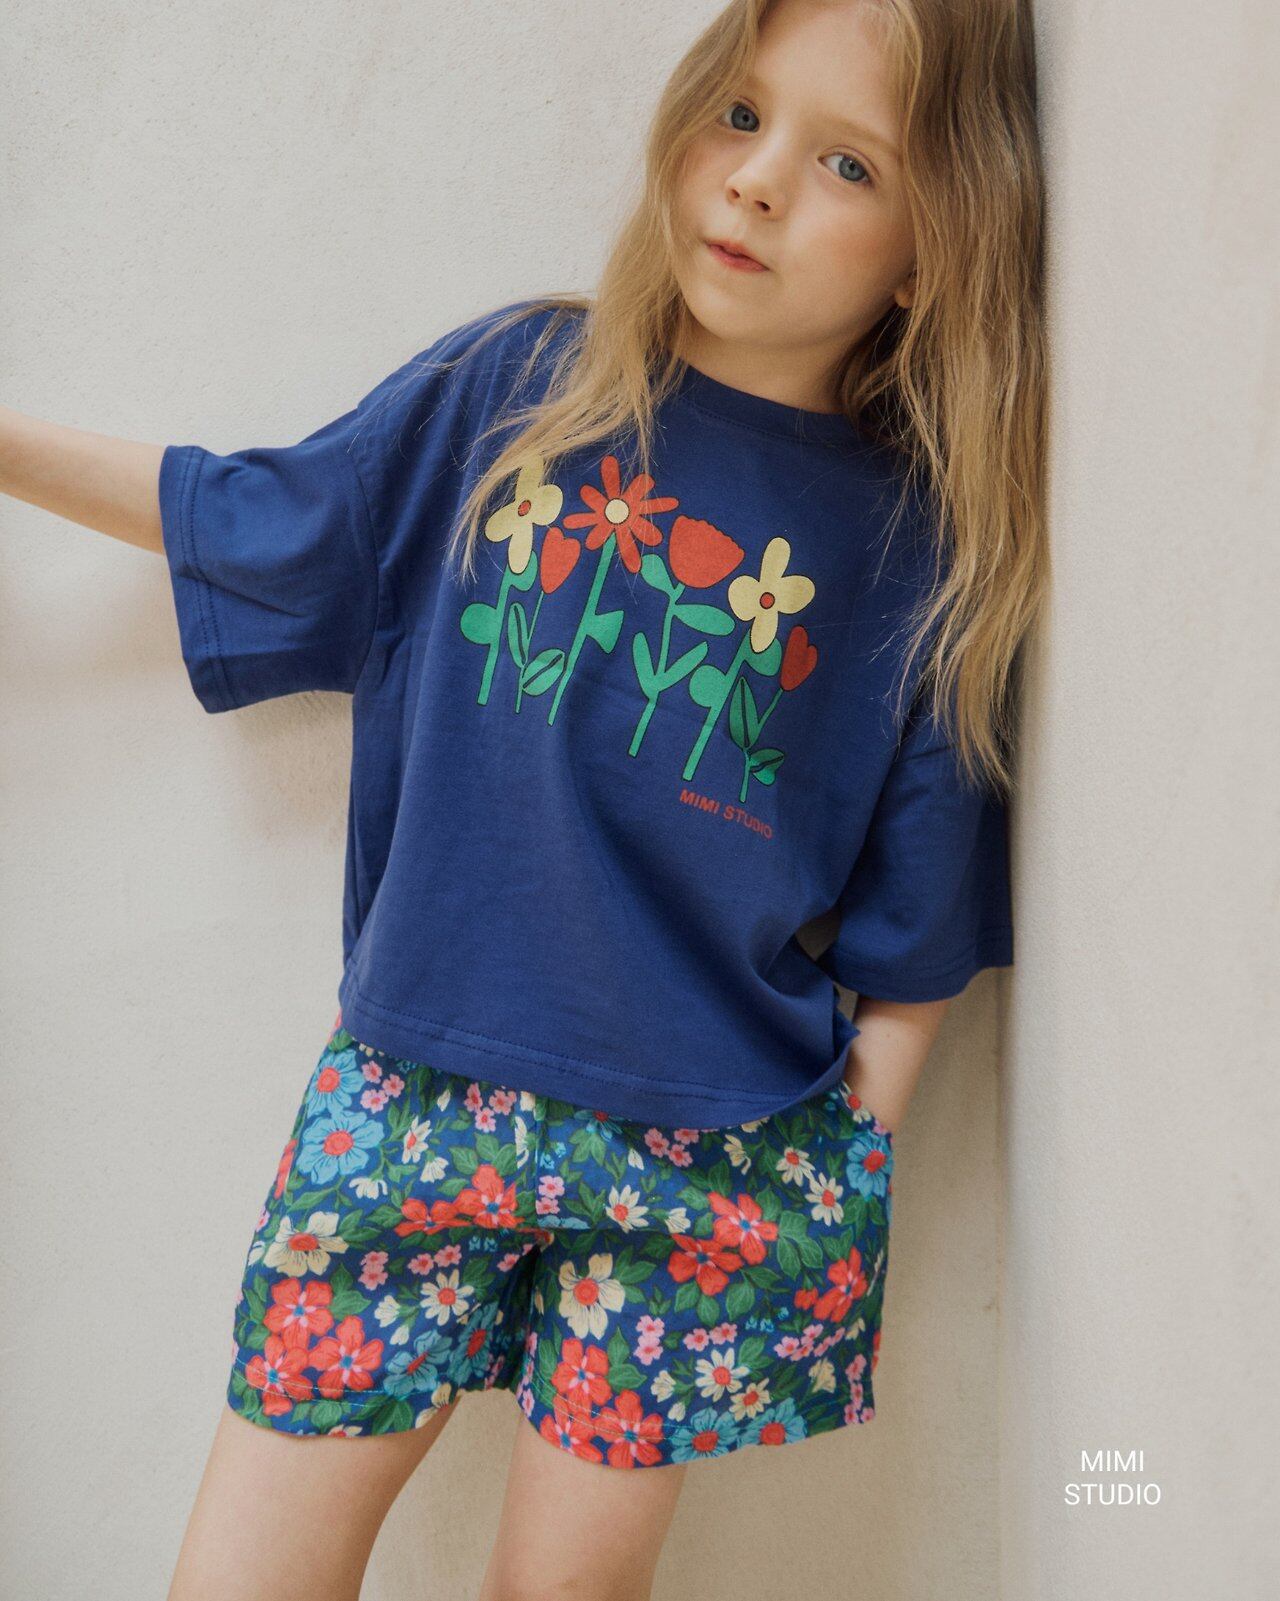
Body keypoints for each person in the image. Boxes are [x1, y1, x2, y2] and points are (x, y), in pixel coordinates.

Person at [1, 0, 1047, 1595]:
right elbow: (259, 513)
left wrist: (845, 1157)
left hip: (708, 1157)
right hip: (415, 1089)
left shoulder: (920, 551)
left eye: (848, 163)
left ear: (929, 251)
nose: (759, 180)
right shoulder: (519, 388)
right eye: (741, 113)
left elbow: (917, 932)